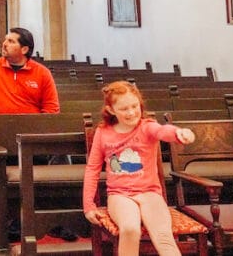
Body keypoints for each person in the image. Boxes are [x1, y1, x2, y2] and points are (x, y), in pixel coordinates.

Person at [82, 81, 196, 256]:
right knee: (129, 229)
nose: (131, 112)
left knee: (163, 236)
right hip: (120, 195)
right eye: (124, 108)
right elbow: (92, 169)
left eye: (135, 106)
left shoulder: (146, 126)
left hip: (150, 193)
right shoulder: (103, 132)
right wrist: (89, 205)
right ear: (111, 110)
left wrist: (179, 133)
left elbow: (162, 131)